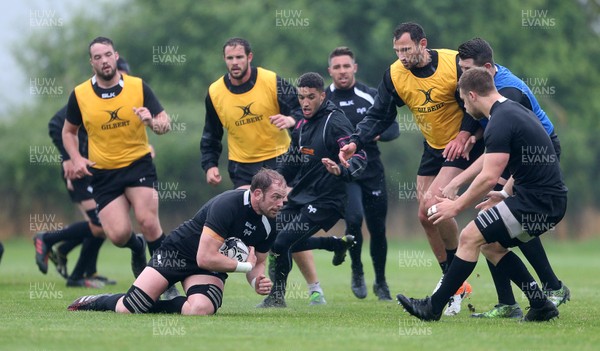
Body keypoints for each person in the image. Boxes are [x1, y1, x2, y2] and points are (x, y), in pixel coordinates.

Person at [396, 67, 568, 322]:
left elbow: (489, 177)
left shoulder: (499, 120)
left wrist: (456, 207)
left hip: (538, 202)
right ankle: (540, 303)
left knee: (468, 236)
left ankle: (433, 308)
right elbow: (505, 158)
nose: (465, 108)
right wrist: (505, 193)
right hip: (544, 200)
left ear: (473, 95)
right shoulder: (509, 109)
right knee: (490, 246)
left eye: (464, 101)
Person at [338, 22, 482, 314]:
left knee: (434, 205)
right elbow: (379, 114)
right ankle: (453, 279)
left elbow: (476, 102)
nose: (402, 55)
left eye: (407, 49)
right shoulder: (395, 74)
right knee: (425, 216)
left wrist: (466, 133)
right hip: (433, 148)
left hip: (462, 145)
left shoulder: (453, 64)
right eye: (397, 50)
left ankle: (451, 284)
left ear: (422, 44)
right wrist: (355, 141)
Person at [438, 37, 570, 318]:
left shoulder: (508, 95)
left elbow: (496, 153)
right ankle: (512, 302)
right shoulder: (487, 89)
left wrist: (457, 202)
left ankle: (552, 287)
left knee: (505, 221)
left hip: (536, 152)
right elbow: (484, 134)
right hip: (509, 151)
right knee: (495, 224)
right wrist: (468, 139)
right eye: (461, 69)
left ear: (487, 68)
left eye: (467, 69)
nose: (463, 76)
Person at [201, 37, 325, 305]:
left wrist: (291, 120)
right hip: (242, 168)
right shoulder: (214, 92)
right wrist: (210, 163)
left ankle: (314, 287)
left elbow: (302, 110)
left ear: (250, 57)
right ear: (225, 60)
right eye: (229, 58)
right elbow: (211, 133)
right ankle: (261, 284)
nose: (234, 63)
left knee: (285, 225)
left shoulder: (271, 81)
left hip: (280, 163)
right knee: (251, 228)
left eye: (239, 57)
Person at [67, 169, 285, 315]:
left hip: (207, 268)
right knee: (130, 307)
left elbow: (257, 262)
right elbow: (205, 256)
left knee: (200, 309)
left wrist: (257, 281)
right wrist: (245, 266)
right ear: (257, 194)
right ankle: (96, 301)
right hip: (178, 253)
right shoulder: (228, 205)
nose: (281, 203)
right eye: (276, 197)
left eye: (283, 197)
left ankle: (153, 304)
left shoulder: (271, 222)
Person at [62, 37, 172, 285]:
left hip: (138, 164)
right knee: (119, 235)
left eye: (107, 55)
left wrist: (152, 122)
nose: (104, 61)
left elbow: (165, 123)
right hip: (103, 173)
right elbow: (68, 131)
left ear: (116, 56)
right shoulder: (80, 95)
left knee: (148, 221)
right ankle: (136, 246)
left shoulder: (138, 86)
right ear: (92, 63)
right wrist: (76, 158)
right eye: (98, 57)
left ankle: (166, 282)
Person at [257, 72, 366, 308]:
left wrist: (342, 168)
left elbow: (358, 154)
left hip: (328, 200)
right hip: (301, 197)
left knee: (283, 242)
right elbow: (291, 162)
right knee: (275, 235)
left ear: (322, 96)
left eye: (311, 97)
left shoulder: (334, 121)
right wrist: (268, 181)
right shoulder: (303, 126)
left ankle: (276, 298)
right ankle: (335, 244)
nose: (305, 103)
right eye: (301, 97)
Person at [34, 57, 131, 289]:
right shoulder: (85, 97)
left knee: (102, 225)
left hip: (97, 171)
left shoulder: (119, 102)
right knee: (100, 225)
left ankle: (84, 270)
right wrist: (68, 159)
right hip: (79, 172)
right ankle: (47, 239)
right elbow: (57, 125)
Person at [326, 47, 399, 300]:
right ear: (330, 71)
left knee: (378, 228)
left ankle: (381, 281)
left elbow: (393, 129)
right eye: (337, 67)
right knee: (354, 220)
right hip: (346, 173)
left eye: (346, 66)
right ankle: (357, 270)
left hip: (372, 170)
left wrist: (375, 133)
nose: (342, 71)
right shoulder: (324, 100)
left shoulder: (370, 96)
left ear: (354, 67)